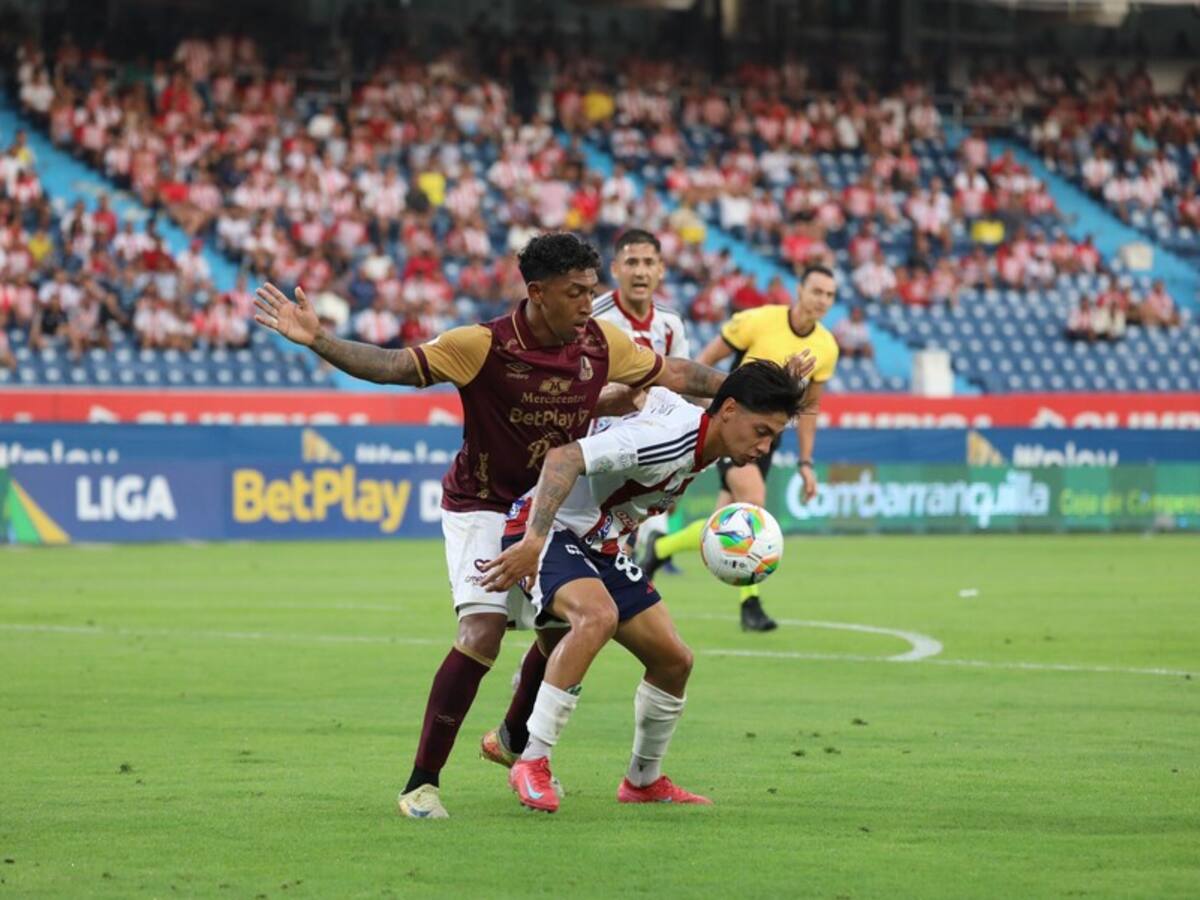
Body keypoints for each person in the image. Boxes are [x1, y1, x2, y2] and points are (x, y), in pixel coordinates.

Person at [254, 232, 730, 820]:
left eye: (591, 290)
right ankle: (422, 784)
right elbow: (396, 366)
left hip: (553, 507)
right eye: (575, 292)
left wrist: (754, 386)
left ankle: (511, 741)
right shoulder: (480, 345)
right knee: (483, 631)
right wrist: (321, 340)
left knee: (566, 626)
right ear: (537, 293)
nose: (589, 303)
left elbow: (674, 373)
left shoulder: (601, 342)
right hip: (482, 504)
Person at [478, 362, 806, 812]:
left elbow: (647, 387)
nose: (765, 447)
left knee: (674, 662)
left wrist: (777, 382)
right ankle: (532, 761)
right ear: (729, 410)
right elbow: (564, 458)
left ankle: (642, 781)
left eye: (773, 436)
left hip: (602, 542)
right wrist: (533, 540)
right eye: (762, 431)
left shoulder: (701, 430)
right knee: (596, 617)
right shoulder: (667, 440)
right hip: (551, 529)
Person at [639, 266, 839, 632]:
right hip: (734, 429)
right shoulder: (758, 321)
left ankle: (661, 548)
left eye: (829, 295)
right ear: (800, 290)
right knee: (753, 504)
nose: (821, 300)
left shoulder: (827, 347)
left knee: (722, 521)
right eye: (816, 291)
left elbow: (809, 408)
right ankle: (751, 604)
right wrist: (703, 415)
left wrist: (806, 462)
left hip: (767, 438)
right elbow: (704, 363)